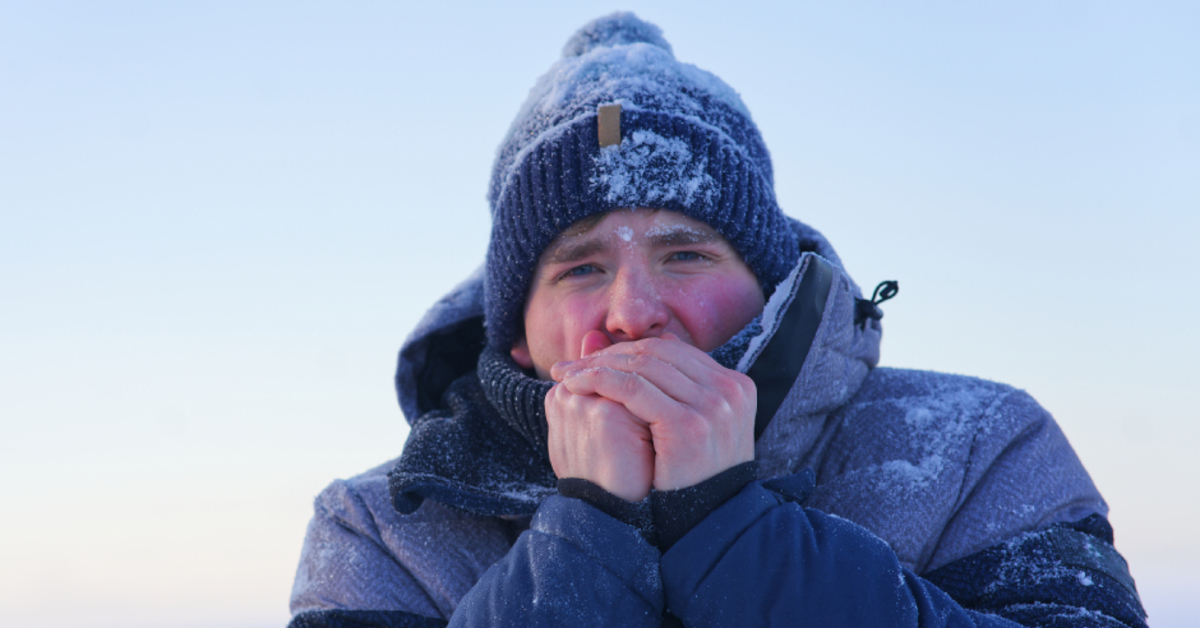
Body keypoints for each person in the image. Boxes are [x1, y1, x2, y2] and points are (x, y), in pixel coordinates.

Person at [288, 13, 1146, 628]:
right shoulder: (384, 529)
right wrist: (584, 539)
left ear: (768, 287)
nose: (632, 312)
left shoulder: (974, 448)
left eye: (686, 254)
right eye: (582, 267)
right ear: (516, 330)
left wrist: (732, 531)